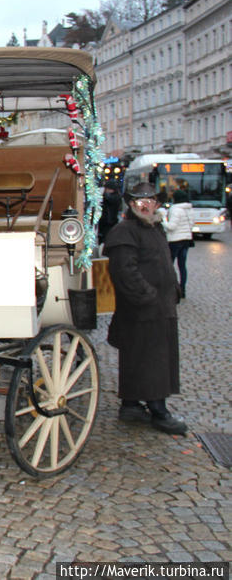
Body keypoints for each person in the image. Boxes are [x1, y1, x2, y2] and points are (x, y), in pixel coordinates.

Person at [104, 182, 187, 435]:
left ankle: (131, 403)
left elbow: (162, 262)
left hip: (160, 307)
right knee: (151, 361)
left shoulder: (155, 228)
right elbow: (124, 272)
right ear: (130, 204)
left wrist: (173, 289)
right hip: (142, 310)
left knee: (143, 358)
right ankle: (158, 409)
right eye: (140, 200)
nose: (146, 204)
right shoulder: (124, 232)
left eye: (151, 200)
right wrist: (147, 295)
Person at [162, 190, 194, 299]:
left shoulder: (175, 209)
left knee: (169, 265)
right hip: (186, 240)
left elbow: (171, 226)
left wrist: (162, 220)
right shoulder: (189, 209)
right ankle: (182, 289)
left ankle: (170, 288)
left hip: (175, 240)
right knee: (182, 266)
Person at [98, 179, 122, 246]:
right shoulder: (112, 196)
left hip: (109, 222)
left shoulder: (115, 197)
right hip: (105, 222)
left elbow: (110, 199)